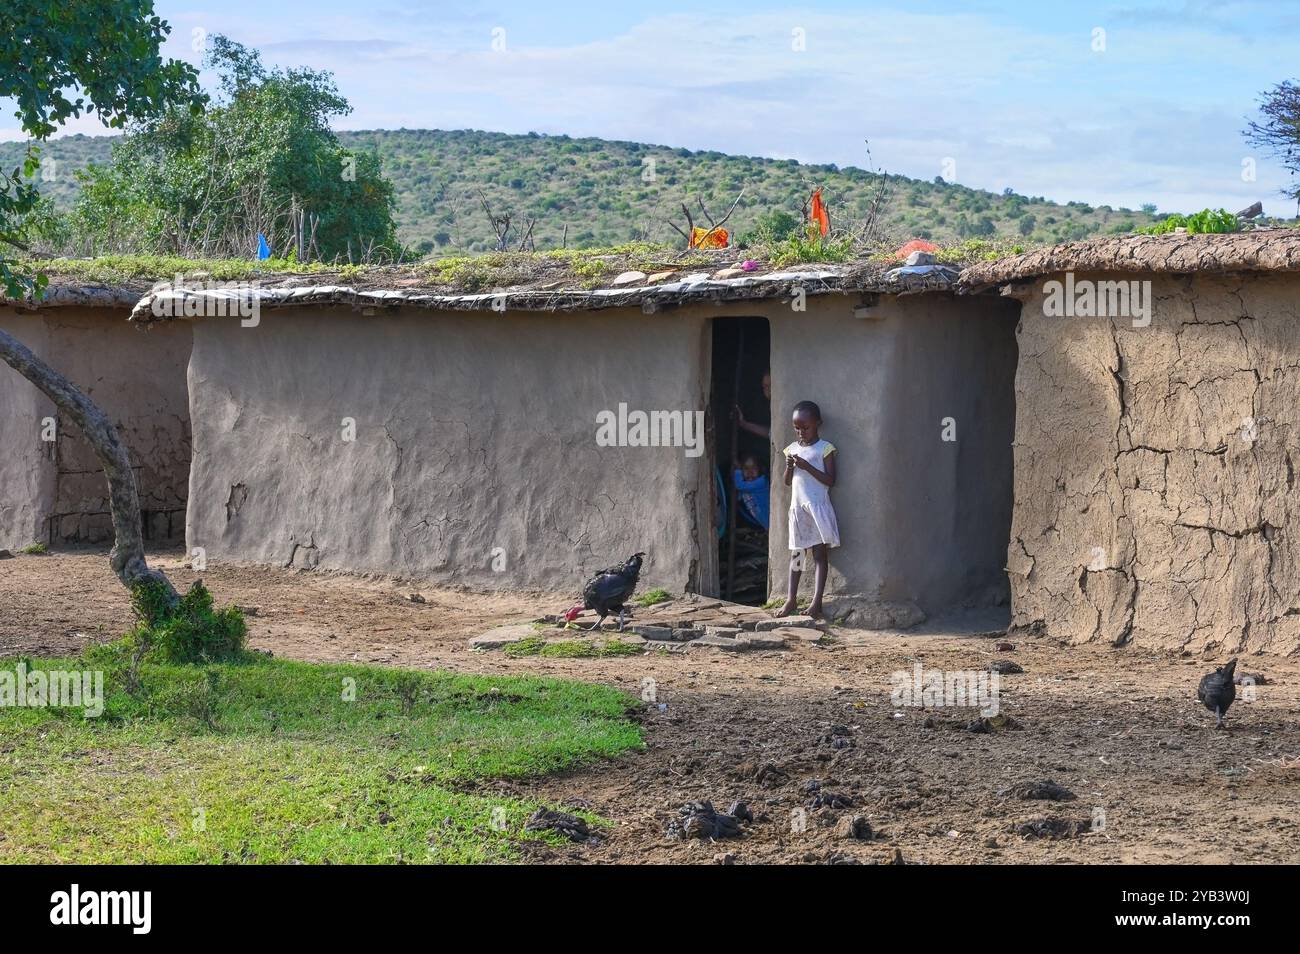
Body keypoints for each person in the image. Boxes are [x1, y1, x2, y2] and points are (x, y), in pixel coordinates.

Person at [775, 400, 838, 620]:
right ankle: (791, 599)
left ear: (818, 424)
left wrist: (807, 466)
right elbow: (787, 482)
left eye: (806, 427)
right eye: (797, 428)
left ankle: (816, 601)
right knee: (797, 553)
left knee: (820, 555)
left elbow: (830, 480)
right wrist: (791, 467)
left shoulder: (825, 448)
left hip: (817, 509)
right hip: (798, 510)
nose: (801, 432)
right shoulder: (791, 449)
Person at [732, 453, 769, 530]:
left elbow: (739, 485)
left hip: (767, 521)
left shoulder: (761, 482)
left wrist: (737, 471)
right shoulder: (747, 486)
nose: (750, 472)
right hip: (757, 521)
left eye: (754, 468)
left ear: (760, 469)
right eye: (746, 468)